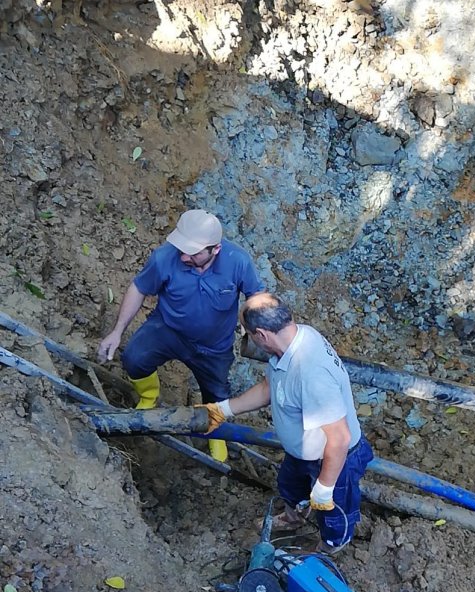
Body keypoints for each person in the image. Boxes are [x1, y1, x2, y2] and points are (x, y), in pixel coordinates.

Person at [202, 292, 373, 550]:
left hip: (334, 459)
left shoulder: (311, 372)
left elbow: (340, 438)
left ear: (261, 335)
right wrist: (222, 410)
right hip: (304, 451)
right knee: (290, 487)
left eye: (248, 334)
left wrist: (325, 486)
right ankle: (294, 518)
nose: (249, 340)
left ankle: (332, 544)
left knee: (335, 512)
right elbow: (268, 387)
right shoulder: (289, 344)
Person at [97, 209, 264, 461]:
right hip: (167, 330)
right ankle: (149, 396)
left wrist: (255, 324)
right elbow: (138, 288)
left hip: (213, 346)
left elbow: (256, 295)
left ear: (214, 250)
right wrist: (117, 331)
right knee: (134, 358)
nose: (184, 256)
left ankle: (215, 432)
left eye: (193, 252)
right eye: (182, 249)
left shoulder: (237, 261)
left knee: (216, 393)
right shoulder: (165, 257)